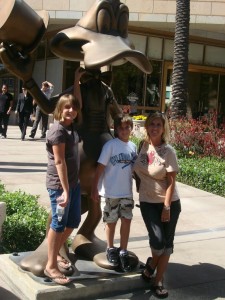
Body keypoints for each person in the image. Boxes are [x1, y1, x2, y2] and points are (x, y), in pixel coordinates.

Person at [133, 112, 181, 298]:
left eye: (158, 125)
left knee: (166, 244)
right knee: (157, 241)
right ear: (147, 126)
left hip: (168, 204)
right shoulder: (142, 146)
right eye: (151, 124)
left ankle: (157, 279)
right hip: (147, 202)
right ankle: (152, 264)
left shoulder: (168, 151)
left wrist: (167, 207)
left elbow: (171, 182)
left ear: (163, 128)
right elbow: (137, 170)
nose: (154, 127)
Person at [44, 93, 81, 285]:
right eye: (67, 107)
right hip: (60, 186)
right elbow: (59, 162)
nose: (71, 111)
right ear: (60, 108)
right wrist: (65, 191)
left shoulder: (72, 127)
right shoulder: (58, 131)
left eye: (74, 108)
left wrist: (76, 80)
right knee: (58, 225)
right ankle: (50, 266)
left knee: (73, 221)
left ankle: (56, 253)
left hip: (73, 184)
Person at [91, 115, 137, 272]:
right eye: (121, 128)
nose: (124, 130)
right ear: (116, 129)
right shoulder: (110, 145)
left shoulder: (133, 147)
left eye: (127, 127)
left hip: (126, 192)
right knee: (111, 221)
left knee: (126, 221)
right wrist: (95, 188)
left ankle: (123, 249)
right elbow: (100, 168)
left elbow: (135, 170)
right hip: (111, 191)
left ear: (131, 128)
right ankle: (110, 247)